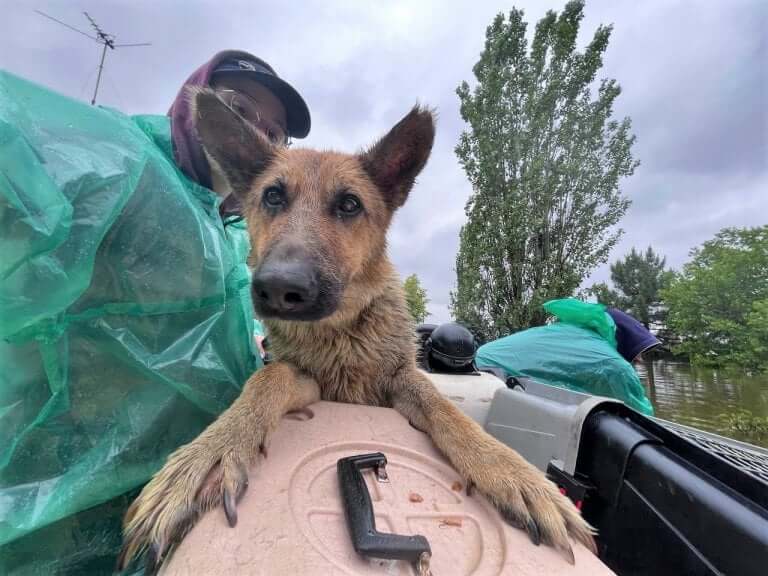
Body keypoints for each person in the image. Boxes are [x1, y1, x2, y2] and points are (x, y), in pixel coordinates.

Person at [168, 50, 312, 356]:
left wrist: (256, 339)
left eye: (274, 133)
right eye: (240, 109)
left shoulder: (233, 233)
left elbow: (237, 316)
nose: (255, 134)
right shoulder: (130, 172)